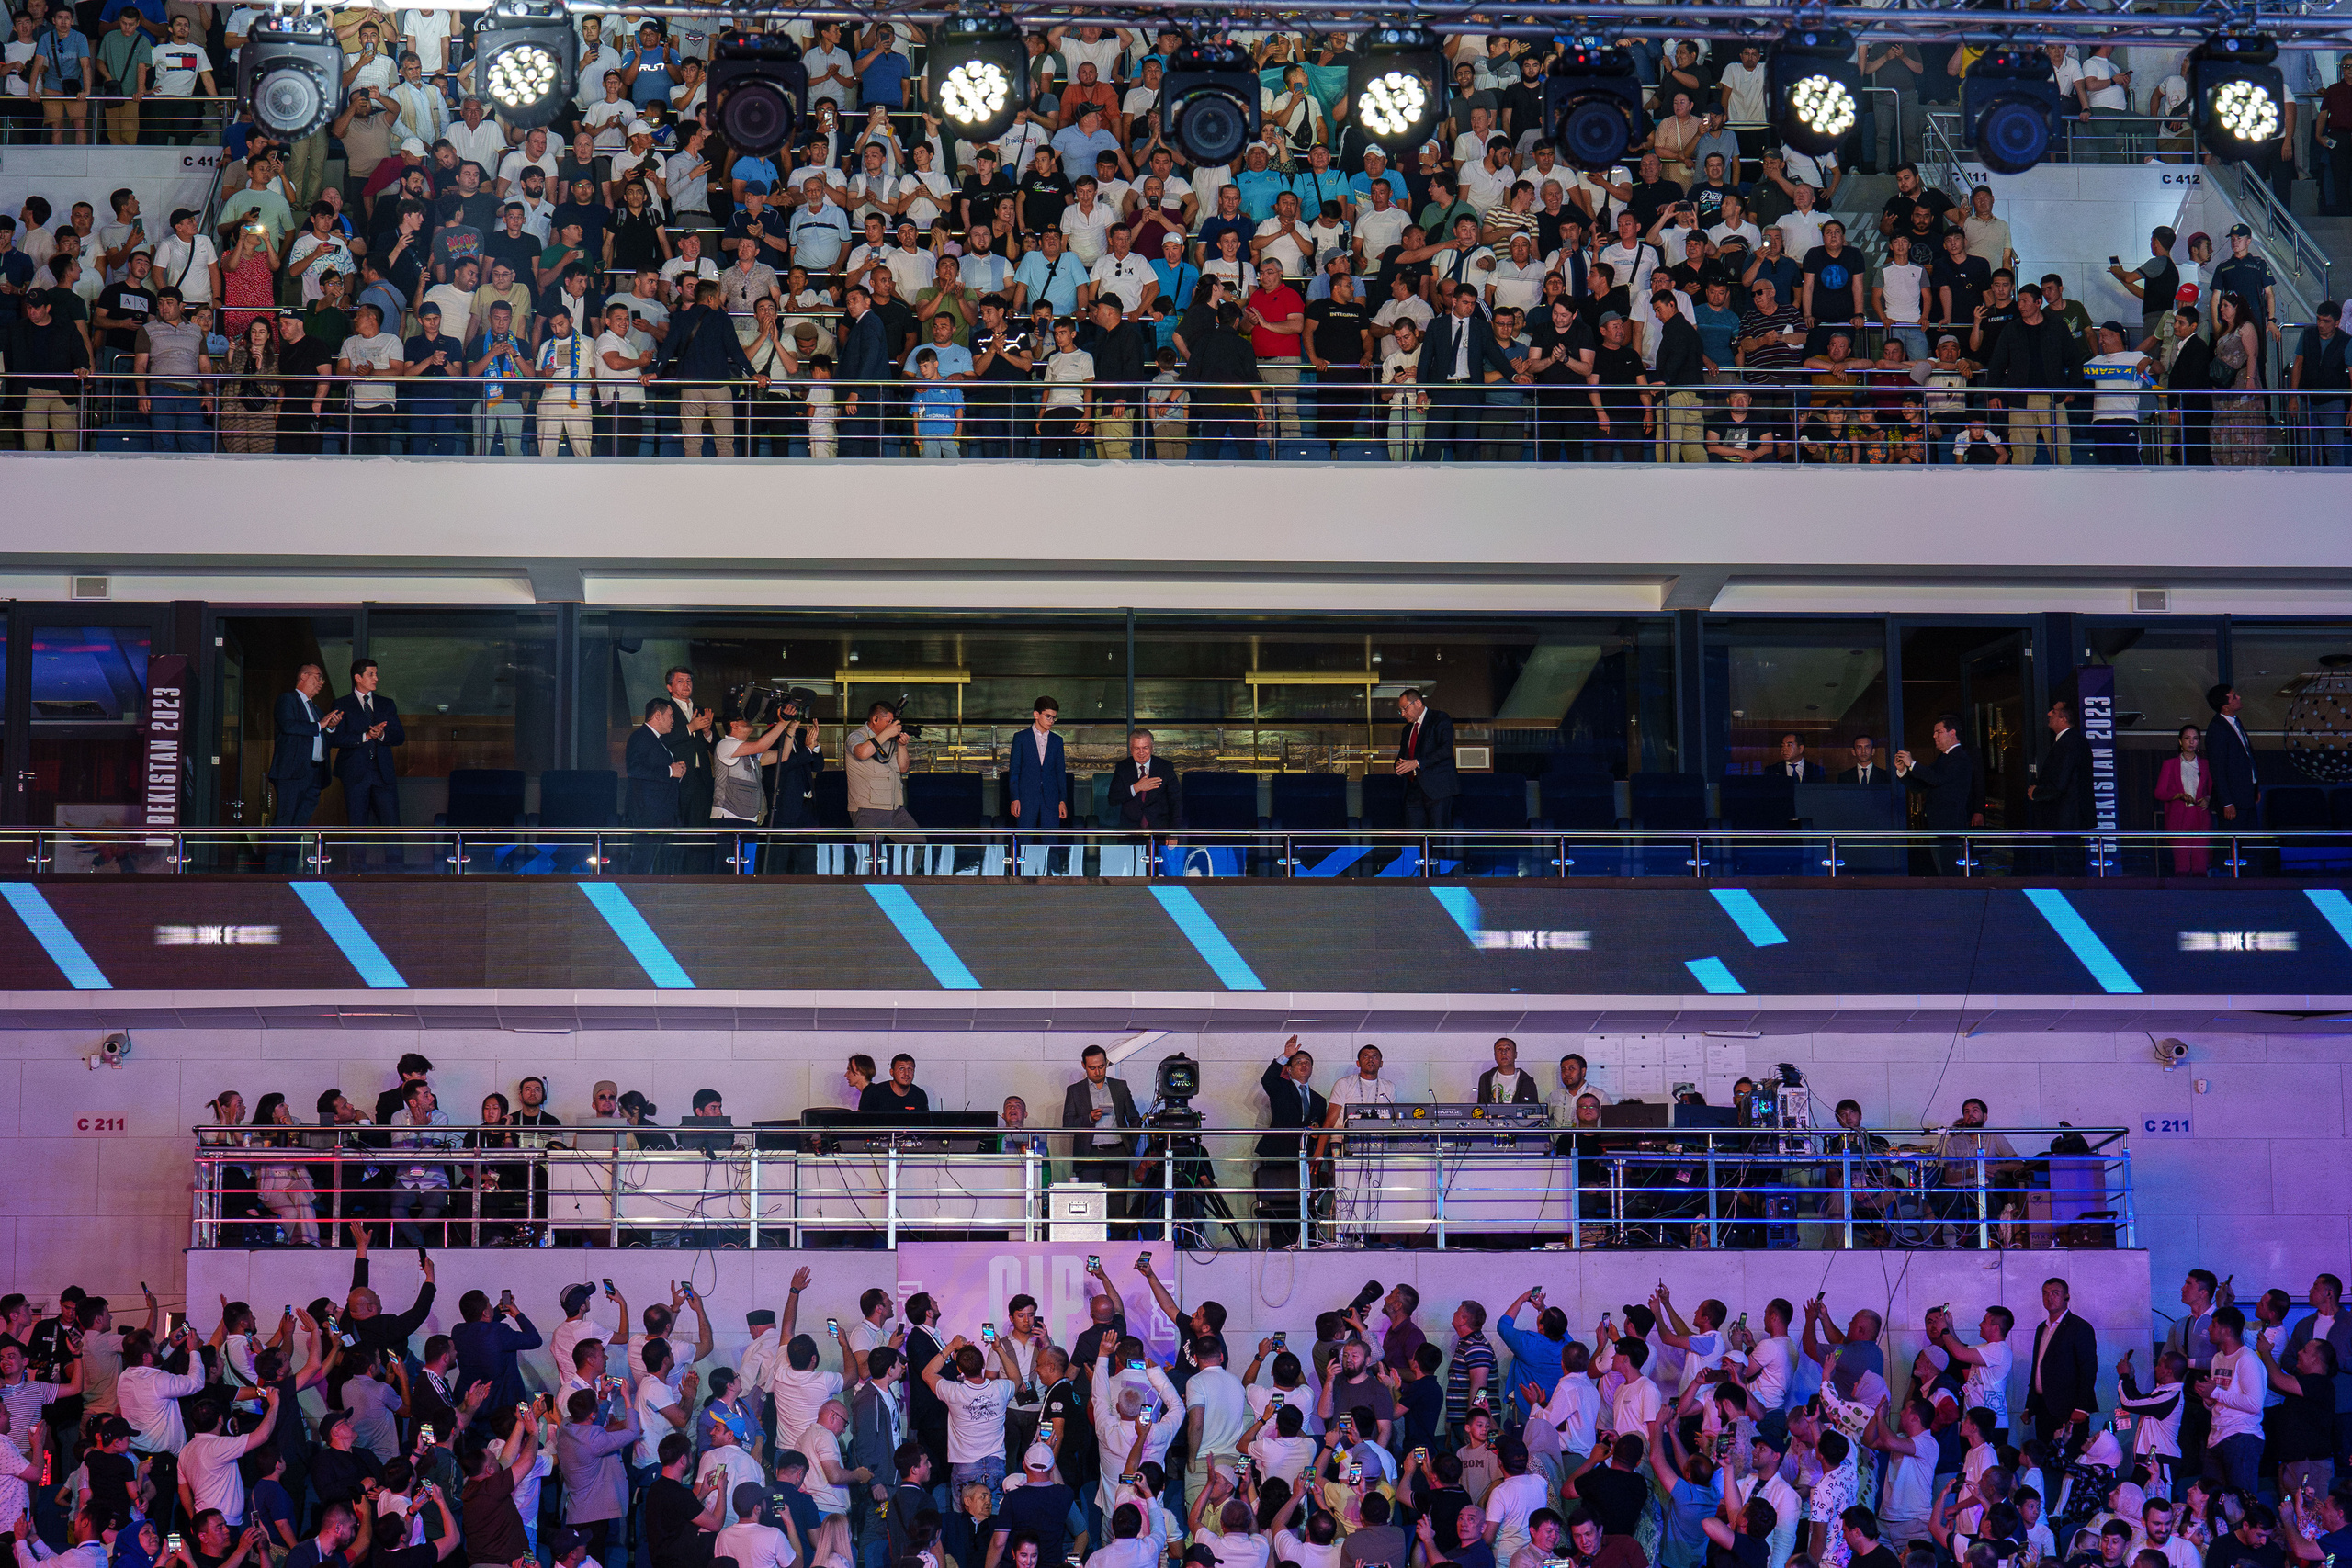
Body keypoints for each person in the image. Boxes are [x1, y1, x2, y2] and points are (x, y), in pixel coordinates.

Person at [1063, 1043, 1140, 1236]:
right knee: (1090, 1205)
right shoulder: (1075, 1091)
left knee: (1117, 1207)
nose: (1097, 1071)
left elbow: (1134, 1119)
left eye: (1101, 1066)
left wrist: (1130, 1146)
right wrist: (1089, 1118)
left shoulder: (1119, 1087)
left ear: (1106, 1063)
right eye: (1092, 1067)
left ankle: (1119, 1251)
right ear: (1083, 1065)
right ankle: (1091, 1249)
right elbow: (1067, 1124)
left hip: (1117, 1151)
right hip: (1090, 1153)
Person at [1894, 713, 1982, 876]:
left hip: (1950, 826)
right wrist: (1903, 771)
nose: (1934, 736)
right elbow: (1922, 784)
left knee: (1949, 871)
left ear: (1952, 733)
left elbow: (1936, 779)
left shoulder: (1960, 758)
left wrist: (1912, 764)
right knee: (1942, 870)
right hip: (1938, 826)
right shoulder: (1943, 758)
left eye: (1938, 732)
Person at [2026, 1278, 2098, 1457]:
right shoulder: (2041, 1328)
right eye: (2045, 1293)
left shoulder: (2079, 1327)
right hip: (2043, 1407)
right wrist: (2030, 1405)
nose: (2049, 1297)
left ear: (2066, 1296)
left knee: (2069, 1460)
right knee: (2045, 1460)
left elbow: (2088, 1368)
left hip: (2069, 1408)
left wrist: (2082, 1407)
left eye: (2055, 1293)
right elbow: (2037, 1367)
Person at [329, 657, 403, 831]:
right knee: (357, 827)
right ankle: (356, 860)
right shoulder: (342, 704)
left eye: (376, 674)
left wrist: (382, 734)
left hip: (382, 773)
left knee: (392, 827)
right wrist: (366, 736)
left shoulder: (387, 704)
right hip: (354, 774)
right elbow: (335, 739)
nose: (376, 678)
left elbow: (400, 736)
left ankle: (396, 860)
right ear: (358, 677)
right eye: (371, 674)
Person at [2028, 698, 2092, 874]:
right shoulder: (2070, 741)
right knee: (2068, 863)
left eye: (2054, 712)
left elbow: (2060, 782)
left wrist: (2037, 793)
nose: (2049, 714)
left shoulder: (2069, 743)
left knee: (2068, 865)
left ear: (2063, 719)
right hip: (2067, 818)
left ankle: (2073, 895)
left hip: (2067, 819)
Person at [625, 697, 687, 874]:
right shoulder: (642, 737)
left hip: (660, 814)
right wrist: (669, 770)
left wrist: (677, 773)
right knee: (642, 863)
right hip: (648, 815)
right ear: (658, 715)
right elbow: (635, 768)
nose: (673, 721)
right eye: (671, 716)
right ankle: (635, 896)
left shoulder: (657, 740)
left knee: (654, 864)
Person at [270, 663, 338, 825]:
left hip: (314, 774)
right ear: (304, 676)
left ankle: (292, 851)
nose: (322, 682)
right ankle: (275, 851)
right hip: (292, 773)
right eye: (318, 677)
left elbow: (322, 735)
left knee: (301, 823)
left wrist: (330, 727)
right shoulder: (287, 699)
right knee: (284, 820)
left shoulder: (316, 710)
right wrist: (319, 725)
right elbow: (288, 725)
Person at [1008, 694, 1069, 852]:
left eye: (1054, 718)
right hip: (1026, 797)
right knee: (1024, 841)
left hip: (1051, 798)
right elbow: (1015, 771)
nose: (1051, 721)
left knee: (1052, 842)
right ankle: (1020, 876)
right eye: (1048, 716)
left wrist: (1062, 800)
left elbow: (1060, 773)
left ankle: (1051, 876)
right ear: (1036, 715)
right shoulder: (1020, 738)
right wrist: (1015, 798)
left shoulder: (1057, 741)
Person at [1394, 687, 1458, 831]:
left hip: (1437, 789)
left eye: (1405, 709)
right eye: (1401, 711)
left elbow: (1445, 750)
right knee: (1413, 840)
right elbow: (1403, 755)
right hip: (1413, 789)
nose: (1403, 714)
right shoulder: (1407, 730)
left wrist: (1416, 763)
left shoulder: (1440, 719)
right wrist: (1399, 766)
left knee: (1438, 838)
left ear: (1418, 703)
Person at [2156, 725, 2211, 875]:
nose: (2191, 742)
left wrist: (2207, 799)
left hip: (2200, 816)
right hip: (2179, 818)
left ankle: (2203, 897)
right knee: (2182, 867)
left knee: (2200, 866)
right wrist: (2179, 795)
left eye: (2195, 739)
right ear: (2180, 741)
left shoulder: (2205, 765)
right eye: (2187, 738)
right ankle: (2181, 897)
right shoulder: (2170, 765)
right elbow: (2160, 792)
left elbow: (2212, 790)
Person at [2205, 683, 2260, 834]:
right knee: (2233, 843)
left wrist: (2255, 787)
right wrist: (2227, 802)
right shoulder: (2217, 729)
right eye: (2234, 696)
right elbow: (2218, 769)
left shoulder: (2236, 722)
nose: (2239, 697)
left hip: (2246, 795)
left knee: (2250, 843)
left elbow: (2247, 756)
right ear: (2225, 706)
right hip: (2234, 800)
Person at [1111, 727, 1179, 832]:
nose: (1141, 752)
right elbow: (1113, 798)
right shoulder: (1122, 767)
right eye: (1137, 748)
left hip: (1160, 831)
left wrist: (1173, 833)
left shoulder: (1165, 767)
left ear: (1152, 748)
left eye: (1145, 747)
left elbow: (1176, 802)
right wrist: (1136, 787)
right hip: (1130, 832)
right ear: (1130, 749)